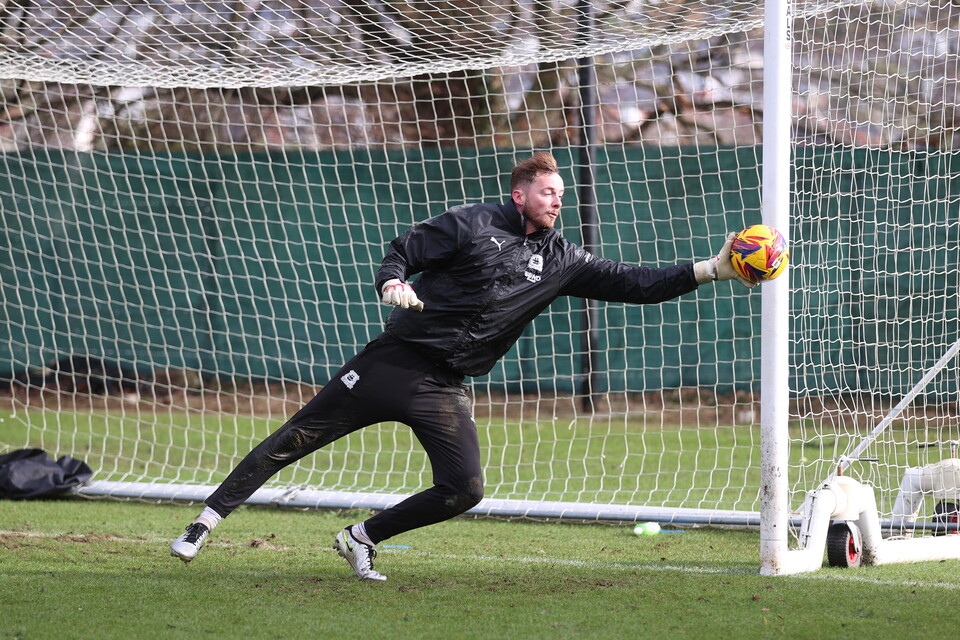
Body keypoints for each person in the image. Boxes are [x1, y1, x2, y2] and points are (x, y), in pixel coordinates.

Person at [170, 151, 755, 581]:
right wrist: (392, 282)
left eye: (561, 193)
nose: (559, 199)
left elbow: (636, 283)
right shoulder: (472, 223)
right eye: (549, 191)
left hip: (442, 388)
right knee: (291, 439)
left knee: (465, 488)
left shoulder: (563, 259)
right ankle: (204, 524)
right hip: (392, 363)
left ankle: (361, 537)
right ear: (521, 193)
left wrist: (709, 269)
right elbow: (403, 248)